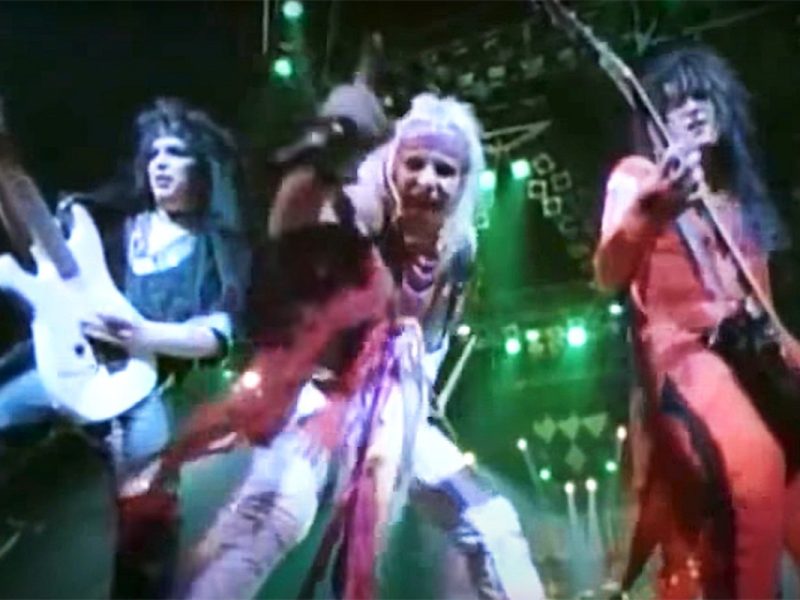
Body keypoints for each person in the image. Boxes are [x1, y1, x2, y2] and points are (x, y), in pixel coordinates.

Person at [138, 88, 543, 599]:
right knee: (274, 519)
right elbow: (290, 228)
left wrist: (408, 413)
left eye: (445, 171)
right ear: (392, 166)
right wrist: (327, 155)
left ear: (464, 182)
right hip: (317, 399)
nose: (428, 181)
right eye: (415, 164)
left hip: (395, 407)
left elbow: (428, 348)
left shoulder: (458, 251)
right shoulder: (356, 214)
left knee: (492, 526)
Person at [0, 97, 250, 597]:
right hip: (70, 363)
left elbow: (217, 334)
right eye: (153, 153)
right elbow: (44, 249)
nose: (160, 163)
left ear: (203, 170)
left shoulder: (216, 247)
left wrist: (144, 334)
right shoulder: (111, 221)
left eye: (175, 153)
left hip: (148, 389)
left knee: (147, 517)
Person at [593, 45, 800, 598]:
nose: (693, 108)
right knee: (755, 469)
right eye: (676, 101)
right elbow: (608, 271)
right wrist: (651, 209)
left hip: (753, 360)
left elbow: (763, 310)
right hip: (684, 353)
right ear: (654, 118)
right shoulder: (637, 176)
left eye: (702, 96)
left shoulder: (737, 197)